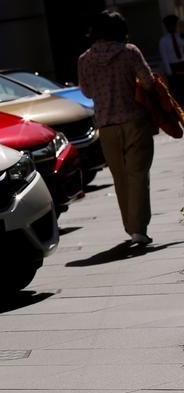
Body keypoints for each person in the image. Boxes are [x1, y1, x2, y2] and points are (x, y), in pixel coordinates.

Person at [78, 9, 155, 245]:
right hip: (134, 121)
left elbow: (87, 92)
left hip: (107, 126)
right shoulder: (129, 52)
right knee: (138, 175)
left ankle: (130, 225)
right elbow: (149, 83)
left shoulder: (85, 59)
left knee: (120, 177)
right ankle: (139, 228)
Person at [159, 14, 184, 104]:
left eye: (174, 25)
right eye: (170, 25)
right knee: (177, 92)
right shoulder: (163, 41)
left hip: (182, 64)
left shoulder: (180, 38)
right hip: (173, 68)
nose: (172, 27)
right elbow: (165, 57)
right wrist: (170, 72)